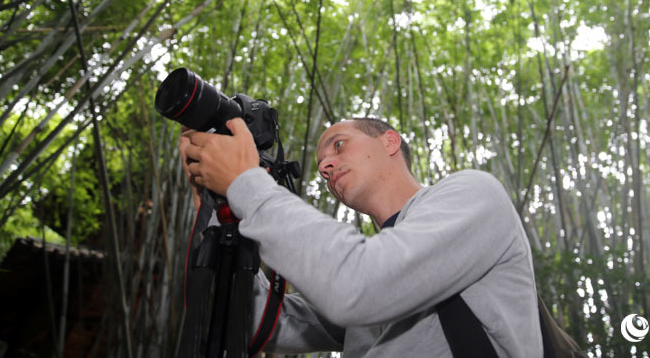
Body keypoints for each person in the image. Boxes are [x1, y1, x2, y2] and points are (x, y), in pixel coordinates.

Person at [180, 116, 543, 357]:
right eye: (321, 166)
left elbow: (360, 284)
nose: (325, 165)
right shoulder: (372, 259)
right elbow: (258, 320)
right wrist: (219, 207)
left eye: (338, 145)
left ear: (389, 141)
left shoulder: (473, 193)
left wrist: (248, 184)